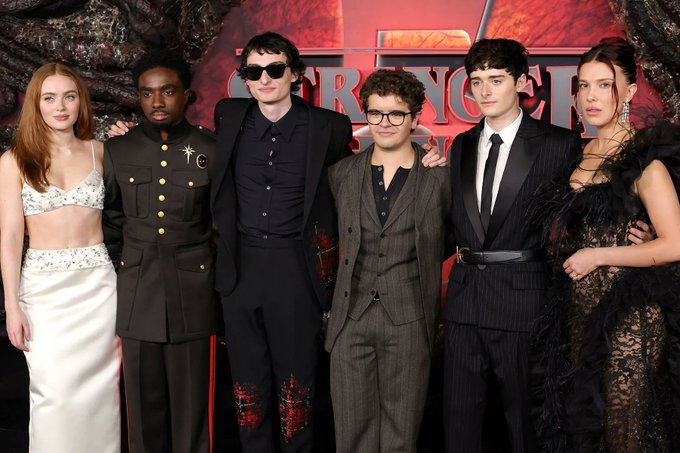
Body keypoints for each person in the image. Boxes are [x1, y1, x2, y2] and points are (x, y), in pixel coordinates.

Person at [533, 37, 680, 452]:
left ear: (629, 92)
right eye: (583, 85)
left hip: (630, 318)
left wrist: (598, 255)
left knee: (625, 434)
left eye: (604, 85)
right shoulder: (580, 154)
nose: (591, 97)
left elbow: (675, 244)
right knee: (587, 432)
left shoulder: (645, 161)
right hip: (579, 315)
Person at [442, 38, 582, 452]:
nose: (484, 91)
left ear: (521, 82)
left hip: (524, 302)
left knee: (526, 427)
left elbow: (580, 218)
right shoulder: (461, 144)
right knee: (458, 426)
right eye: (476, 81)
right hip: (464, 302)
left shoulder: (559, 144)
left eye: (496, 80)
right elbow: (453, 221)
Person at [326, 69, 450, 452]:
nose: (384, 122)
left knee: (401, 433)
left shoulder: (440, 177)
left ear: (415, 117)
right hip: (351, 317)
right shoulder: (341, 174)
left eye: (396, 113)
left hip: (410, 317)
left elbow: (451, 238)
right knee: (351, 433)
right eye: (375, 113)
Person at [0, 63, 121, 453]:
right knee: (53, 393)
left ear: (80, 102)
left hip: (98, 289)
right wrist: (12, 305)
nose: (60, 107)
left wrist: (134, 137)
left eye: (69, 97)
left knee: (101, 392)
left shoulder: (102, 153)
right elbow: (10, 238)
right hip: (43, 293)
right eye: (49, 98)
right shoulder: (14, 161)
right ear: (36, 104)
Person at [103, 49, 217, 453]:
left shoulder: (210, 149)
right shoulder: (119, 150)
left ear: (186, 95)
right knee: (142, 414)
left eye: (167, 91)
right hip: (138, 295)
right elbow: (111, 221)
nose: (157, 101)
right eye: (147, 93)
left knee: (193, 415)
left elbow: (220, 226)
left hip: (194, 295)